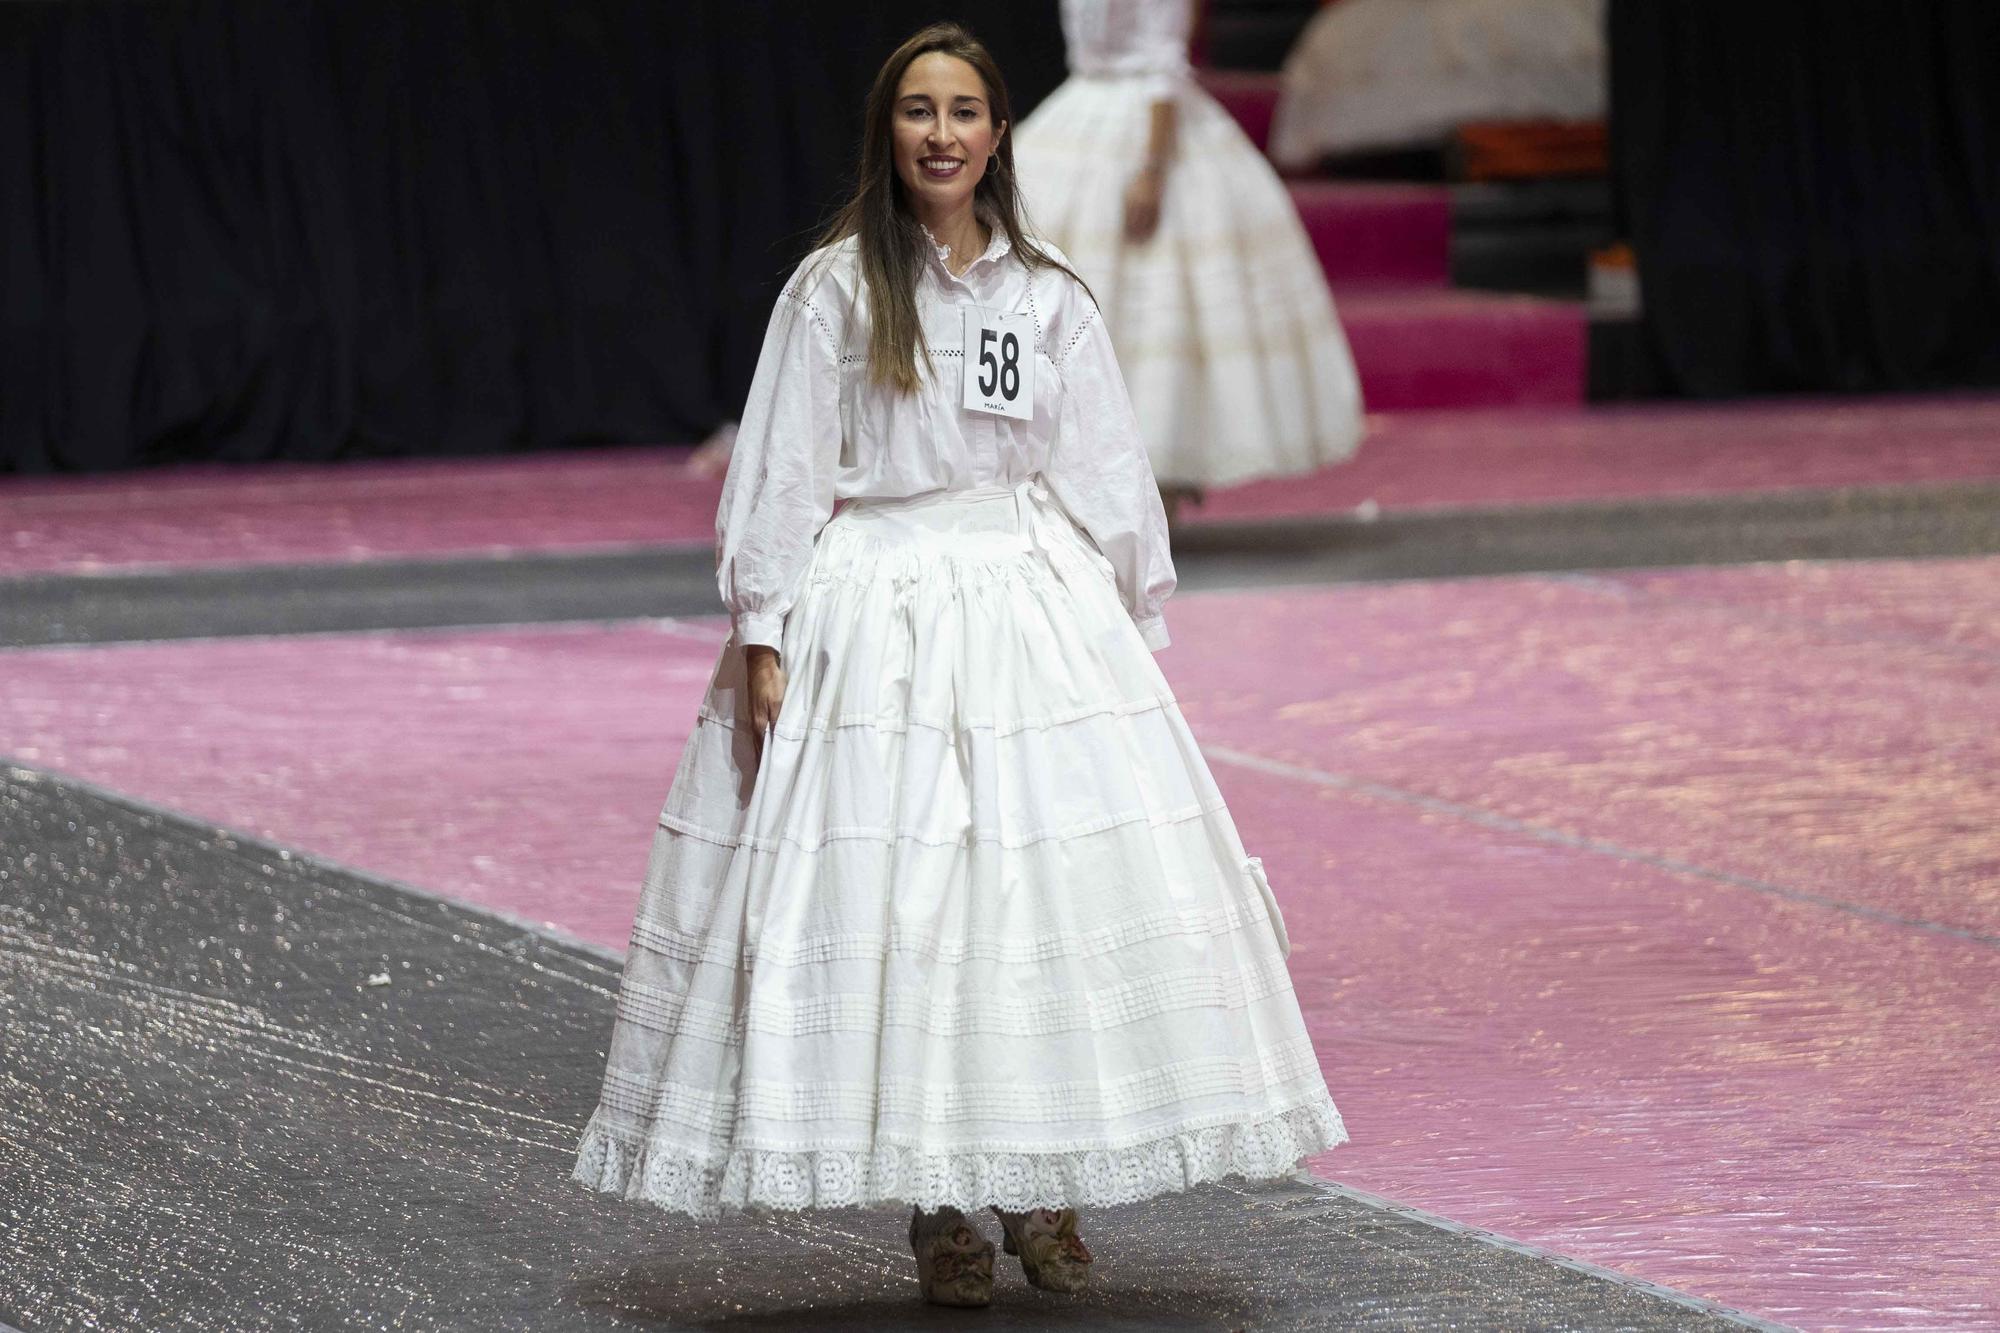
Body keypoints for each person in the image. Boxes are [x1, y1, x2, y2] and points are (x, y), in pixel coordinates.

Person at [571, 22, 1345, 1309]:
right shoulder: (835, 289)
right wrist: (761, 628)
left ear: (996, 133)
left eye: (964, 111)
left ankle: (1039, 1186)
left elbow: (1097, 460)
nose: (941, 133)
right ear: (890, 133)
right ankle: (939, 1207)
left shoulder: (1045, 296)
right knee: (909, 909)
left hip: (1029, 613)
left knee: (1036, 907)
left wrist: (1132, 620)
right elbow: (783, 463)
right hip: (877, 614)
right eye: (917, 111)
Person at [1013, 0, 1364, 524]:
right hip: (1081, 108)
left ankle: (1159, 484)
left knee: (1156, 303)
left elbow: (1162, 60)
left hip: (1150, 125)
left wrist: (1152, 170)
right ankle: (1071, 480)